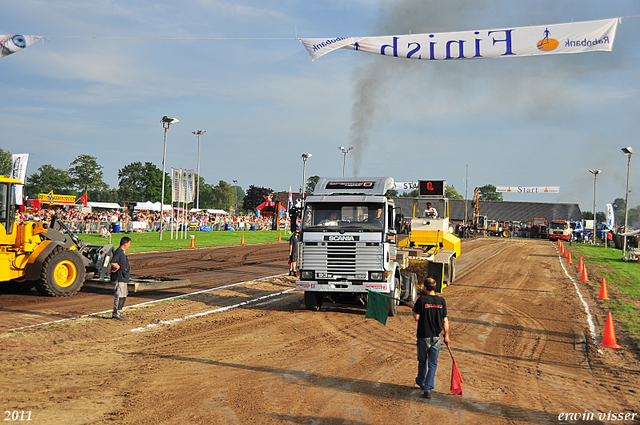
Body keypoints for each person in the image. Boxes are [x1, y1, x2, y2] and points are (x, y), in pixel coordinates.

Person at [412, 277, 450, 399]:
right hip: (436, 337)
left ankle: (421, 381)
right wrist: (447, 336)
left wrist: (412, 307)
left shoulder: (421, 300)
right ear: (434, 287)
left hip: (423, 336)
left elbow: (417, 317)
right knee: (433, 364)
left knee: (422, 361)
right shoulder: (441, 301)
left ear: (425, 287)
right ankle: (428, 387)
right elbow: (445, 320)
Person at [110, 236, 131, 321]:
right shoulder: (119, 252)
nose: (129, 245)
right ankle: (116, 313)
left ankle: (119, 312)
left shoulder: (122, 252)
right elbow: (113, 262)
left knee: (123, 296)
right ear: (125, 244)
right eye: (129, 244)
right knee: (119, 296)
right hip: (119, 278)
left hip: (123, 278)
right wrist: (118, 267)